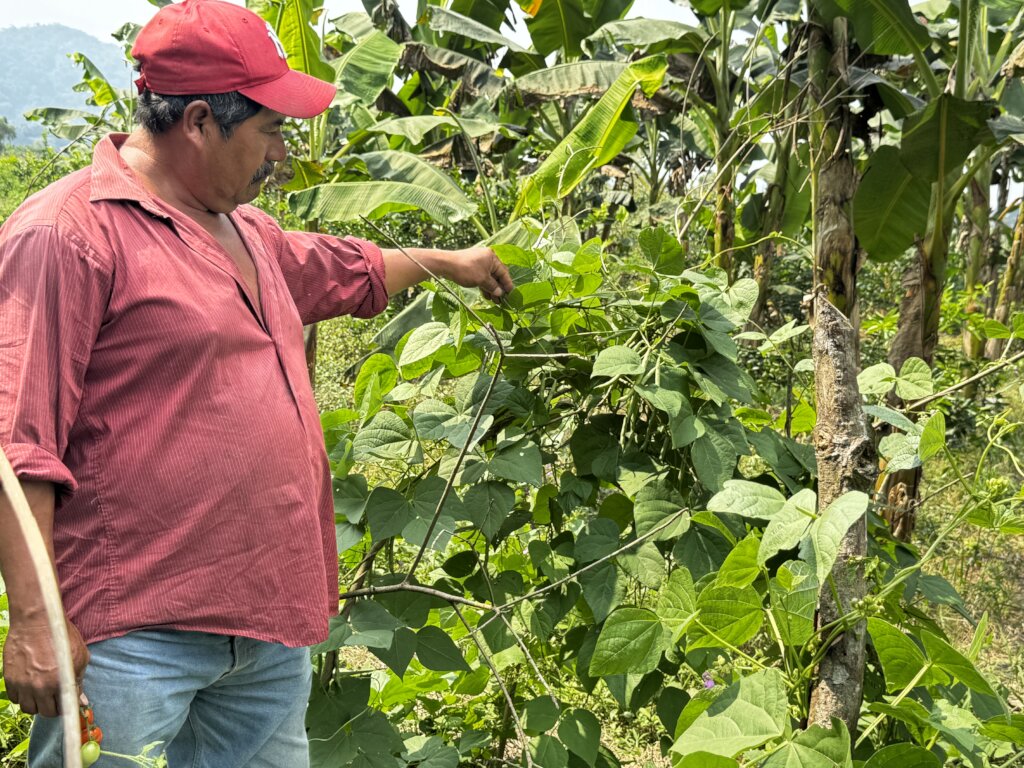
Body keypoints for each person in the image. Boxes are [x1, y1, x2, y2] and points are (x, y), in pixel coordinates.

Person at [0, 0, 513, 765]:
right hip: (133, 634)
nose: (279, 153)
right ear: (201, 121)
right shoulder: (70, 233)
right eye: (270, 130)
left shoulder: (243, 230)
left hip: (264, 628)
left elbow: (349, 270)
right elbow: (17, 444)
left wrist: (453, 263)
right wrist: (36, 620)